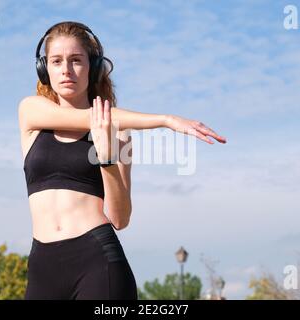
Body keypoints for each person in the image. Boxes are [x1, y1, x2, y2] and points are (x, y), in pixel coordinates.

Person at [18, 21, 227, 300]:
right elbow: (91, 118)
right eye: (56, 61)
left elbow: (120, 217)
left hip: (97, 260)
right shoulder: (31, 112)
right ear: (44, 68)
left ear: (92, 66)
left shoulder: (120, 136)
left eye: (76, 60)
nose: (66, 69)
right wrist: (165, 120)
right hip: (42, 265)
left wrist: (107, 158)